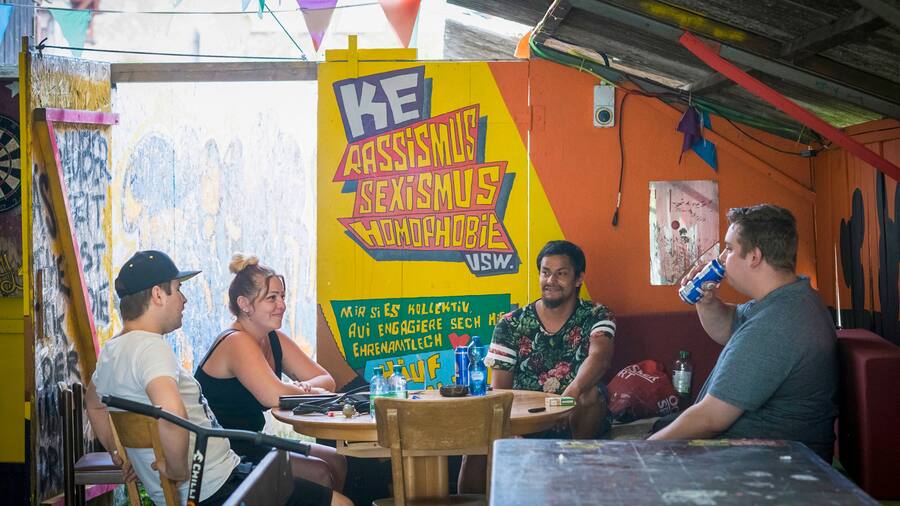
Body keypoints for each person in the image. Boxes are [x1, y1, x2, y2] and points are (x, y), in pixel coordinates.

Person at [85, 250, 350, 505]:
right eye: (178, 289)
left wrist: (120, 455)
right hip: (217, 487)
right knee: (342, 503)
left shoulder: (111, 352)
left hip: (215, 481)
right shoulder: (152, 348)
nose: (184, 299)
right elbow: (171, 413)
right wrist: (176, 470)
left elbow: (94, 405)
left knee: (328, 468)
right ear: (158, 295)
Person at [650, 204, 838, 462]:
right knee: (662, 426)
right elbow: (730, 326)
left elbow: (710, 419)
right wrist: (705, 302)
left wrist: (634, 455)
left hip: (769, 464)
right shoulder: (790, 298)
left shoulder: (775, 324)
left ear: (754, 257)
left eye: (728, 249)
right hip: (755, 450)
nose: (721, 259)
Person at [459, 240, 616, 493]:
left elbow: (601, 357)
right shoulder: (510, 324)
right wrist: (512, 430)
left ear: (579, 279)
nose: (551, 280)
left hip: (576, 413)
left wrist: (568, 398)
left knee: (591, 394)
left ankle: (575, 482)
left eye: (561, 273)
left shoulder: (597, 314)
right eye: (545, 272)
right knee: (478, 436)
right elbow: (500, 390)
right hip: (527, 418)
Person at [195, 254, 347, 493]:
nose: (282, 305)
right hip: (226, 452)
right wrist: (302, 390)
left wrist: (301, 390)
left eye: (283, 296)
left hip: (252, 440)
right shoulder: (236, 341)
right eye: (271, 298)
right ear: (244, 304)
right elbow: (275, 397)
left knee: (337, 460)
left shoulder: (273, 339)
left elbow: (328, 381)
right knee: (319, 471)